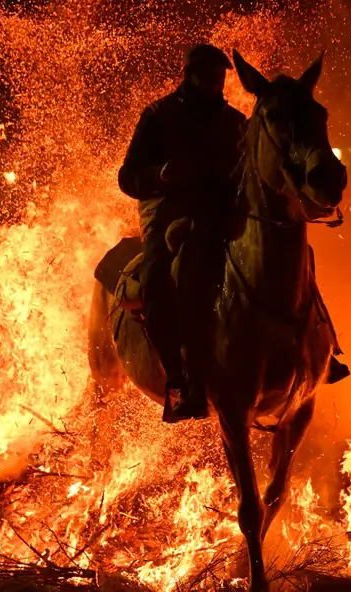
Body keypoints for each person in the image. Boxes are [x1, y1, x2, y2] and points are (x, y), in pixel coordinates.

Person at [118, 44, 247, 422]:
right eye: (208, 77)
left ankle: (322, 346)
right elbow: (128, 177)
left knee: (281, 255)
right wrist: (160, 175)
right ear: (189, 75)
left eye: (220, 79)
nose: (215, 85)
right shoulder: (158, 116)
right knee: (158, 278)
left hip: (221, 212)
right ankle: (178, 383)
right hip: (167, 211)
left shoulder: (236, 122)